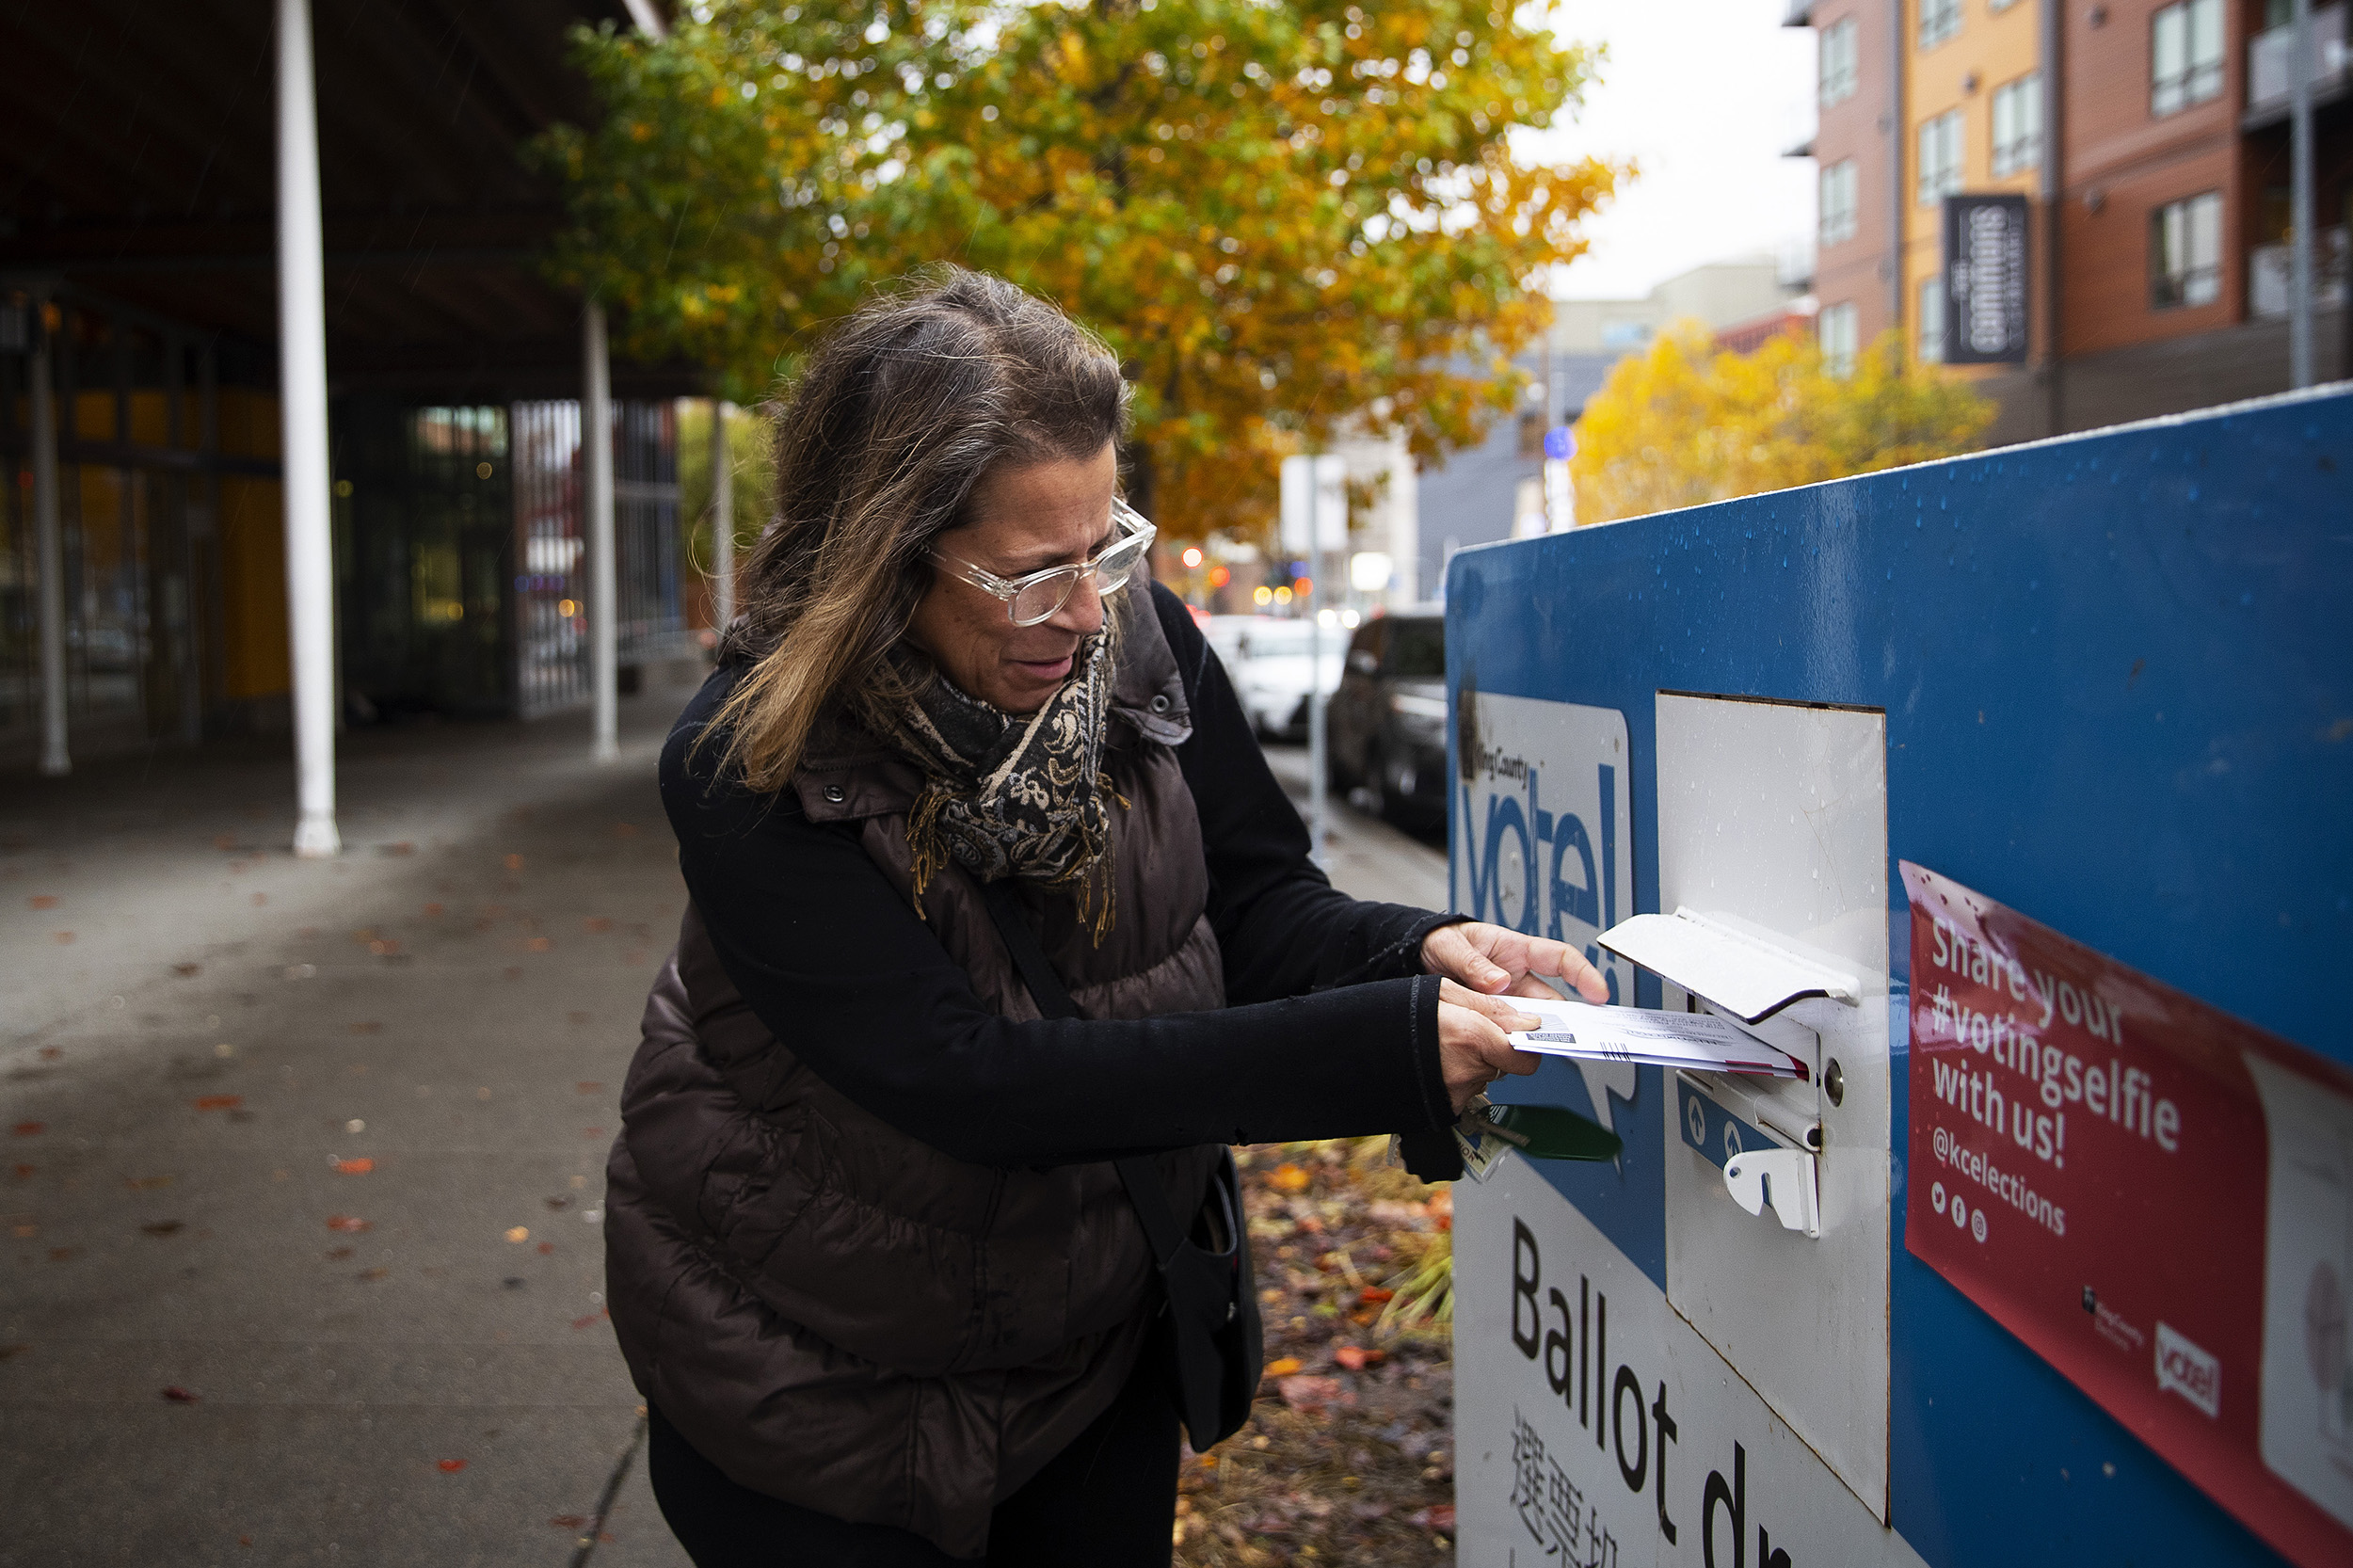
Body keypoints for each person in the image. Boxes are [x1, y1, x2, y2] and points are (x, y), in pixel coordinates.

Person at [605, 267, 1609, 1567]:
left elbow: (1250, 908)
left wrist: (1409, 951)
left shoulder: (1142, 641)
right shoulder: (749, 759)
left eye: (1109, 546)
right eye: (1034, 575)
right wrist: (1387, 1047)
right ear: (887, 560)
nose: (1087, 615)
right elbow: (971, 1078)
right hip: (810, 1394)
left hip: (1085, 1370)